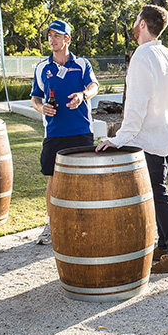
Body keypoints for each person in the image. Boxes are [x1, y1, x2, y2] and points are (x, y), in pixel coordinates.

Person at [96, 5, 168, 274]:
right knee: (157, 194)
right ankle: (164, 248)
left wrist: (118, 139)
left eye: (135, 20)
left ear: (142, 23)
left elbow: (135, 106)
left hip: (149, 140)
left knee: (158, 194)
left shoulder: (142, 56)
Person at [31, 20, 99, 245]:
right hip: (54, 133)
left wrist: (83, 95)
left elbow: (94, 86)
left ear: (67, 39)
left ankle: (85, 222)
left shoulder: (82, 64)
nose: (52, 40)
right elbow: (35, 98)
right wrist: (43, 108)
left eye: (57, 36)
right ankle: (51, 225)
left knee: (84, 180)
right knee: (53, 179)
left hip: (81, 131)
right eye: (50, 35)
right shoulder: (42, 67)